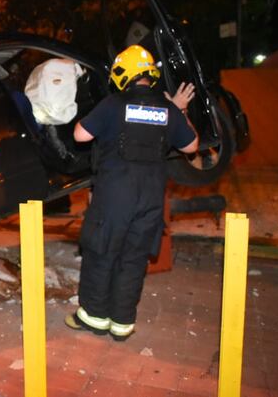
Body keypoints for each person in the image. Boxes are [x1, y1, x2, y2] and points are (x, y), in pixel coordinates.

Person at [65, 45, 198, 341]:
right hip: (150, 199)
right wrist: (178, 110)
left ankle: (94, 318)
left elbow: (79, 135)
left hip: (114, 196)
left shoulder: (114, 103)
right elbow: (191, 146)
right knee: (134, 258)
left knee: (101, 253)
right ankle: (122, 324)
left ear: (123, 75)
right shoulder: (167, 109)